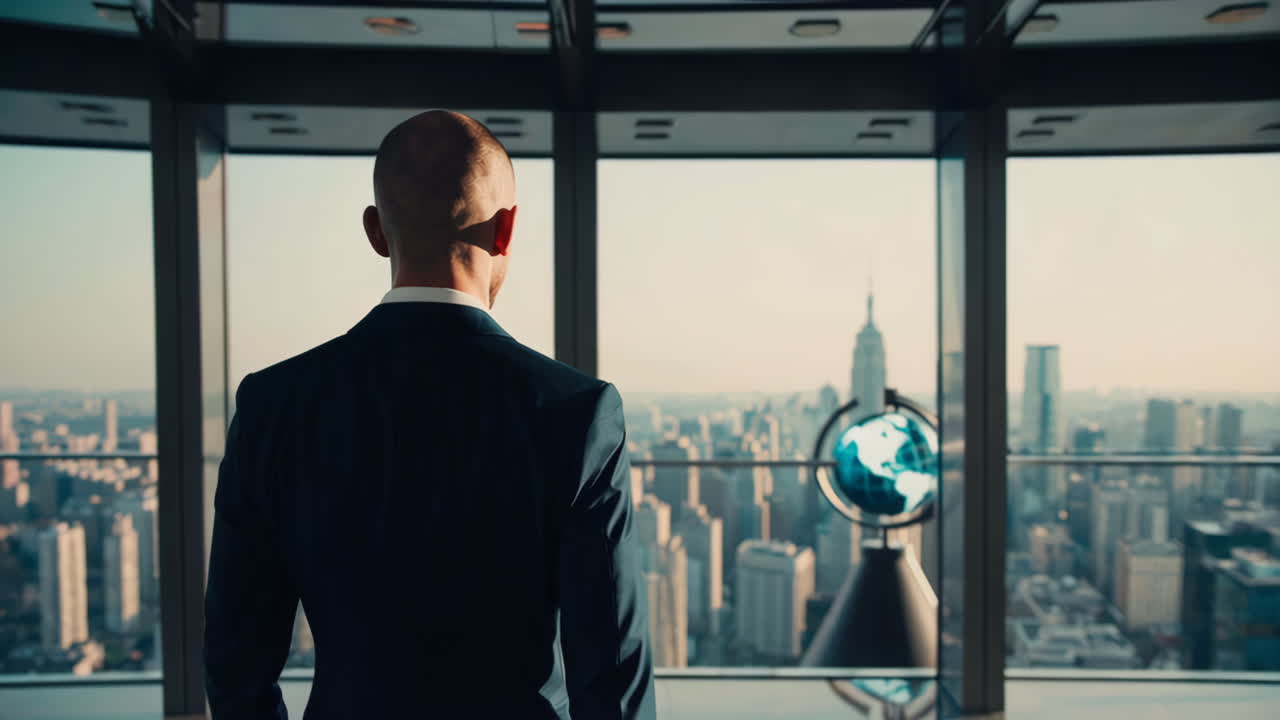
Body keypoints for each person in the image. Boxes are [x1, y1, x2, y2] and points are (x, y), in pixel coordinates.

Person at [205, 111, 655, 719]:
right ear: (506, 229)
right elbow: (612, 675)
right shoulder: (577, 411)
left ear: (376, 231)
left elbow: (236, 663)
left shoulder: (274, 404)